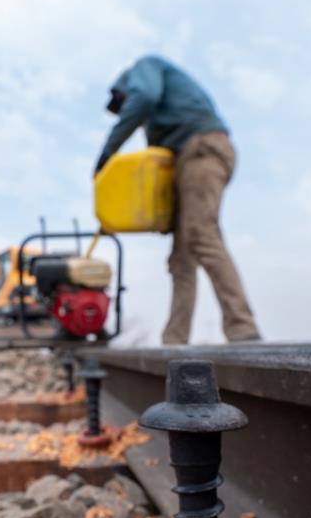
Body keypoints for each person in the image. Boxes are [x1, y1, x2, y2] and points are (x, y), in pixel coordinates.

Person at [95, 55, 261, 345]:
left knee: (201, 235)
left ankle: (242, 328)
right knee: (181, 258)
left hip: (201, 152)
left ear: (121, 90)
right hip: (187, 160)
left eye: (124, 106)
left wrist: (107, 155)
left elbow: (143, 97)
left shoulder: (143, 69)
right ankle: (174, 339)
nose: (127, 112)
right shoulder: (159, 124)